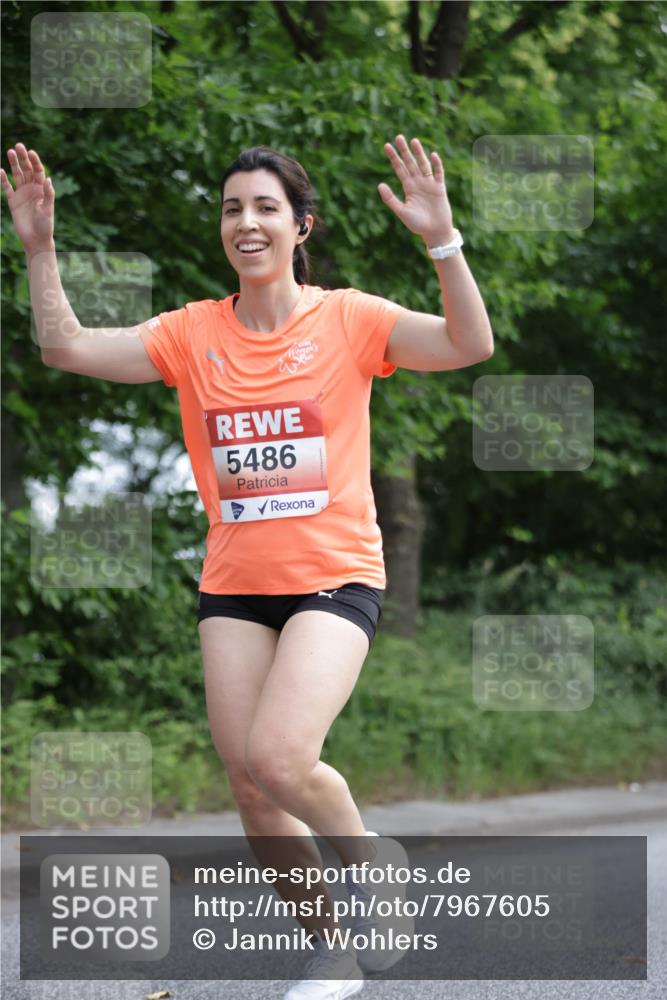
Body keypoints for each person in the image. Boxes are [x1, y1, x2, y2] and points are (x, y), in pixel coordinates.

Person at [1, 135, 493, 999]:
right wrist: (40, 250)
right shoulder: (192, 334)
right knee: (253, 789)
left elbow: (468, 342)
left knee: (280, 755)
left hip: (334, 576)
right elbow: (66, 348)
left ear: (299, 227)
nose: (247, 221)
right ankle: (332, 949)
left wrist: (441, 239)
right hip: (233, 586)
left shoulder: (349, 319)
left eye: (265, 207)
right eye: (233, 207)